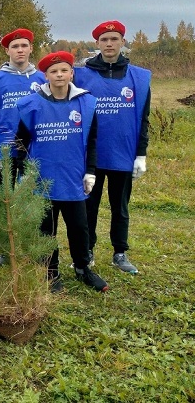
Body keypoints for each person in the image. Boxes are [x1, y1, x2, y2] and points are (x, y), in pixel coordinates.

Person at [14, 51, 108, 293]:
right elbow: (20, 143)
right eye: (54, 71)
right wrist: (24, 174)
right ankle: (50, 272)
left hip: (73, 177)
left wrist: (91, 172)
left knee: (79, 227)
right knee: (46, 229)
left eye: (64, 70)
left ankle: (82, 267)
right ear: (45, 75)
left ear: (71, 73)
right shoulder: (30, 104)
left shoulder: (87, 103)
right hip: (42, 179)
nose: (59, 75)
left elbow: (94, 140)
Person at [74, 20, 150, 274]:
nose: (109, 44)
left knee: (120, 206)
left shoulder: (138, 78)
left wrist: (141, 153)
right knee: (89, 206)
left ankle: (120, 252)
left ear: (122, 42)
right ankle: (87, 250)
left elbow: (144, 117)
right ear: (97, 44)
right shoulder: (81, 75)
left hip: (124, 154)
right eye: (104, 40)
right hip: (91, 156)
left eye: (114, 39)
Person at [0, 29, 45, 184]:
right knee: (5, 204)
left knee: (31, 201)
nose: (20, 50)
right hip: (3, 148)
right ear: (7, 50)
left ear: (31, 48)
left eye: (24, 45)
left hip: (34, 149)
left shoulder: (43, 79)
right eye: (15, 46)